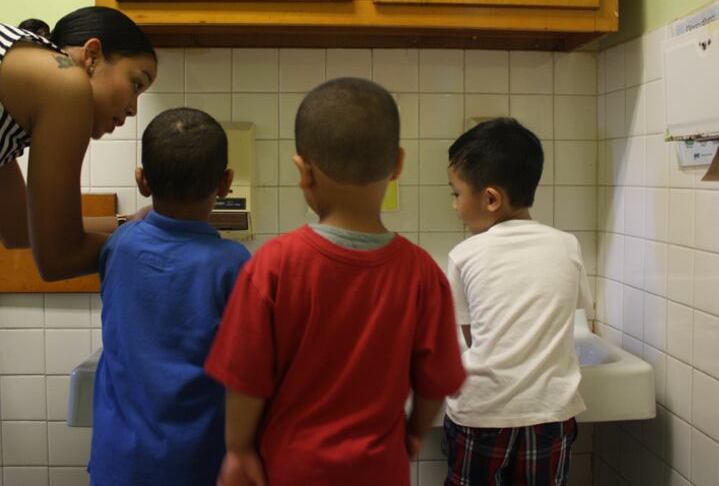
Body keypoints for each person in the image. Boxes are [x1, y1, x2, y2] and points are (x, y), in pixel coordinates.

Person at [204, 77, 467, 486]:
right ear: (398, 164)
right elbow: (439, 380)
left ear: (304, 171)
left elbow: (244, 377)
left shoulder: (272, 266)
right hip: (380, 470)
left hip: (290, 469)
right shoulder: (421, 274)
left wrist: (238, 450)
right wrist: (414, 431)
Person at [88, 107, 251, 486]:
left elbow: (143, 234)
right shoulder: (233, 264)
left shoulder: (120, 246)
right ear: (225, 183)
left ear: (142, 180)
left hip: (119, 464)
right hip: (198, 463)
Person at [0, 6, 157, 281]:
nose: (134, 109)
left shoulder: (3, 120)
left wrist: (131, 224)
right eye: (136, 83)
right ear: (92, 55)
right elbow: (59, 258)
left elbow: (18, 228)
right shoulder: (64, 79)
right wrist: (170, 248)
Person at [442, 117, 594, 486]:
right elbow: (578, 314)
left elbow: (472, 336)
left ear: (491, 199)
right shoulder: (567, 245)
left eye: (456, 193)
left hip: (483, 414)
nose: (455, 206)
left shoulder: (465, 254)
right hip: (549, 415)